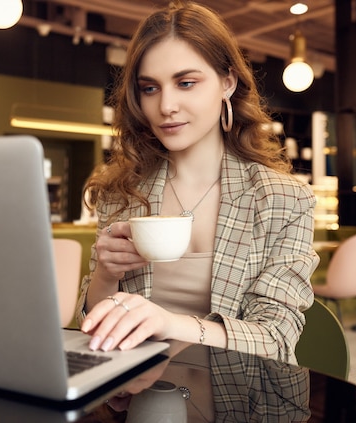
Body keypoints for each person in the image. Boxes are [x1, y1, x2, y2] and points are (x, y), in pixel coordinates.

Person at [75, 1, 319, 366]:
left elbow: (276, 339)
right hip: (136, 394)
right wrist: (107, 275)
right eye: (150, 88)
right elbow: (93, 324)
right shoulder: (121, 193)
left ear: (227, 82)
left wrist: (169, 323)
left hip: (237, 399)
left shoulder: (283, 199)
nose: (166, 105)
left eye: (186, 83)